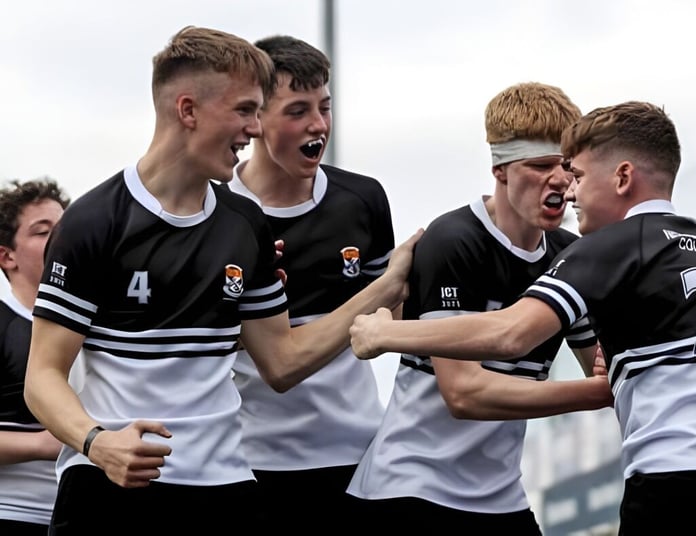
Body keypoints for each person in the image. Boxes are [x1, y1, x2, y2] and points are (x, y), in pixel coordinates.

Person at [23, 26, 417, 534]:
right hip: (110, 486)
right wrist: (97, 441)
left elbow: (283, 361)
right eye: (245, 110)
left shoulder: (245, 224)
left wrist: (389, 285)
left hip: (227, 490)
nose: (254, 129)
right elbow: (42, 377)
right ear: (188, 111)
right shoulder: (94, 222)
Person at [349, 101, 696, 535]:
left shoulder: (609, 245)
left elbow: (511, 335)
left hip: (678, 483)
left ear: (622, 177)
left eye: (577, 174)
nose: (570, 188)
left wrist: (386, 334)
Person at [345, 82, 612, 532]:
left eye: (567, 168)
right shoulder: (454, 240)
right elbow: (464, 394)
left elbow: (604, 367)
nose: (560, 181)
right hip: (412, 488)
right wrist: (594, 394)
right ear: (501, 169)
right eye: (541, 166)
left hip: (501, 496)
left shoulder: (572, 254)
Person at [226, 35, 396, 527]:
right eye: (298, 110)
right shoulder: (216, 211)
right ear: (255, 118)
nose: (318, 125)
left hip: (358, 455)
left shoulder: (362, 199)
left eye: (324, 106)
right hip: (251, 462)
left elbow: (395, 324)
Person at [0, 179, 69, 534]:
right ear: (6, 256)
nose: (60, 241)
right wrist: (45, 442)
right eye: (43, 232)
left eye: (64, 229)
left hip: (86, 514)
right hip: (14, 514)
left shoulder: (98, 324)